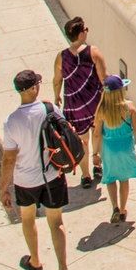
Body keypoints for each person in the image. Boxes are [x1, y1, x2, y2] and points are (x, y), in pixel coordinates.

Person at [1, 71, 72, 270]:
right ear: (33, 89)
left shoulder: (12, 121)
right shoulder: (50, 109)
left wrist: (4, 188)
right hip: (52, 176)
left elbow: (9, 158)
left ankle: (35, 260)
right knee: (56, 222)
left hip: (25, 180)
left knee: (28, 219)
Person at [52, 16, 106, 189]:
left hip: (74, 105)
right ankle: (97, 164)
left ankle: (86, 175)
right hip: (94, 102)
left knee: (81, 141)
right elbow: (104, 78)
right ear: (81, 33)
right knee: (98, 135)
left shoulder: (62, 56)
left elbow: (57, 80)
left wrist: (57, 96)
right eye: (86, 30)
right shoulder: (94, 52)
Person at [91, 75, 136, 225]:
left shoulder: (101, 110)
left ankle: (114, 206)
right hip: (125, 147)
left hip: (109, 148)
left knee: (110, 178)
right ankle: (122, 209)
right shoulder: (129, 107)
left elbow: (96, 134)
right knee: (124, 179)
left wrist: (95, 153)